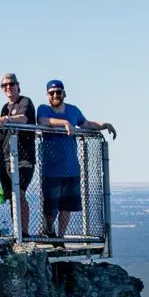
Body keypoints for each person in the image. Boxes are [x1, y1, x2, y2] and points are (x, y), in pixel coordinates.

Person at [35, 80, 115, 239]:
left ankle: (61, 238)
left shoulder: (73, 110)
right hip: (51, 168)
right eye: (52, 93)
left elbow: (86, 124)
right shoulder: (44, 109)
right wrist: (64, 123)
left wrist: (104, 124)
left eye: (58, 92)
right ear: (47, 95)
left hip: (71, 167)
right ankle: (48, 232)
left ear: (64, 93)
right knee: (50, 206)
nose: (55, 95)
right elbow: (43, 121)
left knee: (67, 206)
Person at [0, 74, 38, 233]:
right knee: (12, 198)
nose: (8, 87)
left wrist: (6, 119)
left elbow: (24, 118)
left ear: (18, 85)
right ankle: (17, 230)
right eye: (4, 85)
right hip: (5, 159)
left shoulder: (25, 102)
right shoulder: (5, 107)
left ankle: (23, 233)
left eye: (11, 84)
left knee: (19, 193)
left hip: (23, 158)